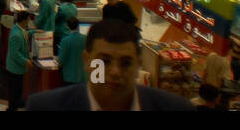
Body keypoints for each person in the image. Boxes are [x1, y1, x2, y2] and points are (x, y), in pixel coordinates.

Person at [26, 19, 195, 110]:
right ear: (87, 61)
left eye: (126, 63)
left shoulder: (177, 109)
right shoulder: (45, 107)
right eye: (104, 61)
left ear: (138, 65)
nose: (115, 72)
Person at [6, 11, 31, 110]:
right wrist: (25, 61)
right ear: (24, 20)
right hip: (14, 68)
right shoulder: (16, 35)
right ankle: (12, 107)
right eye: (28, 19)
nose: (29, 21)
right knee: (14, 90)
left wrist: (33, 32)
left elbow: (24, 34)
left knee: (18, 88)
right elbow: (14, 53)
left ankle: (18, 102)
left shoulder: (19, 28)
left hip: (18, 68)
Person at [58, 16, 85, 84]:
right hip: (83, 76)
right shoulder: (85, 39)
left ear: (67, 26)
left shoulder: (65, 41)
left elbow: (61, 61)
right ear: (78, 25)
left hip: (69, 77)